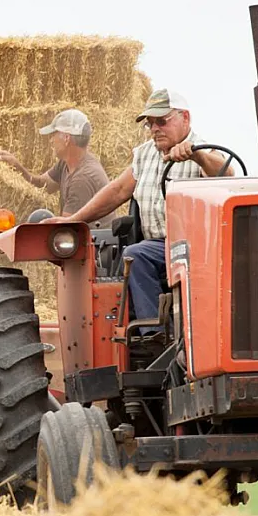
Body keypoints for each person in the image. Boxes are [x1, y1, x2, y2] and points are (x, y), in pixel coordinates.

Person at [44, 88, 233, 335]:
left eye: (162, 121)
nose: (155, 128)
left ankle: (155, 335)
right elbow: (117, 190)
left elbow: (225, 174)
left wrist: (196, 156)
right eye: (150, 123)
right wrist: (73, 220)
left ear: (185, 118)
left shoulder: (203, 151)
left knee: (136, 255)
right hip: (158, 247)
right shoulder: (144, 154)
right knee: (129, 255)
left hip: (193, 247)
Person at [0, 108, 116, 227]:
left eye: (54, 135)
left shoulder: (82, 179)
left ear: (67, 139)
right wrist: (17, 166)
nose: (51, 140)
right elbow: (43, 184)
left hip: (95, 244)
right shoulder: (67, 163)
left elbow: (65, 228)